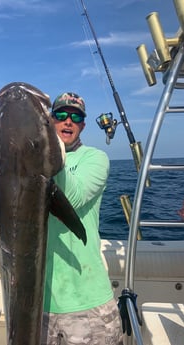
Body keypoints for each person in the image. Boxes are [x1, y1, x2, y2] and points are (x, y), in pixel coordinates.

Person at [42, 92, 123, 345]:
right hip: (39, 304)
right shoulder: (34, 163)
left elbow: (72, 199)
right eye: (61, 115)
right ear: (50, 120)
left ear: (83, 125)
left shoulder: (95, 159)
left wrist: (49, 150)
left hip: (87, 304)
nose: (68, 121)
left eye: (75, 117)